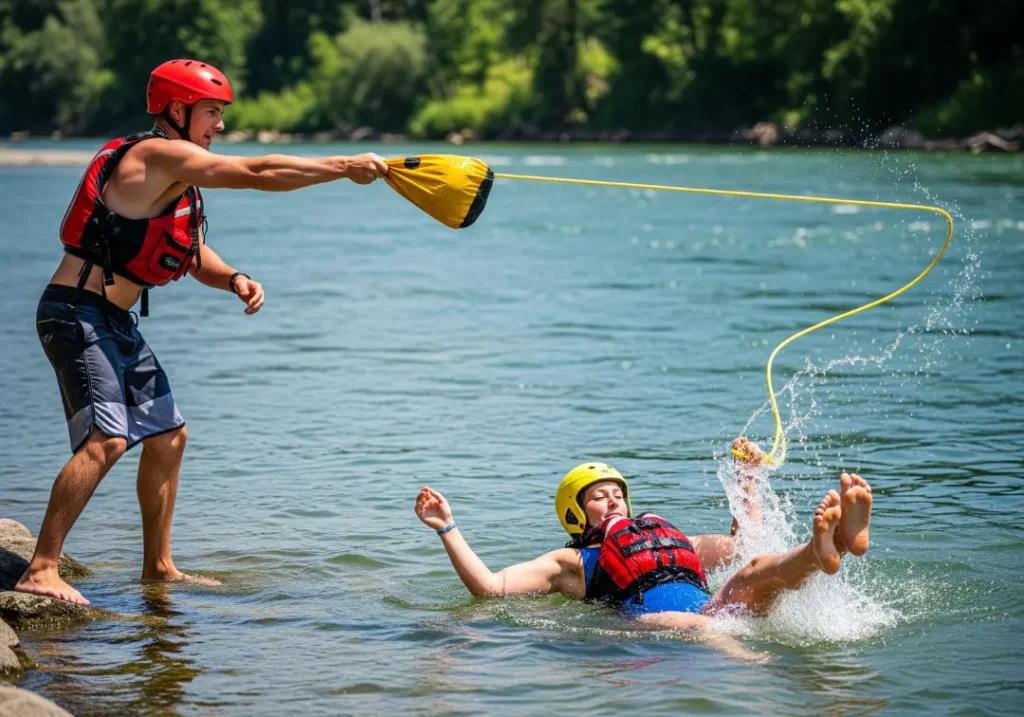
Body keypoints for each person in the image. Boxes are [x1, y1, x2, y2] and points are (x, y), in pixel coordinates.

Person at [17, 59, 390, 607]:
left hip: (114, 320)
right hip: (75, 312)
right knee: (109, 439)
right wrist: (343, 166)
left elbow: (189, 256)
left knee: (169, 436)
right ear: (176, 110)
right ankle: (41, 568)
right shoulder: (155, 155)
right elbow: (259, 173)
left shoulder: (178, 180)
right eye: (212, 113)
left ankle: (158, 568)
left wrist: (234, 277)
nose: (219, 125)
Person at [414, 438, 873, 632]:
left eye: (618, 492)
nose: (613, 499)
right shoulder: (572, 564)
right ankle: (750, 671)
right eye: (598, 496)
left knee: (754, 570)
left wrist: (747, 477)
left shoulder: (670, 538)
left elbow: (745, 544)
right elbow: (490, 588)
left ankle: (824, 550)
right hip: (658, 629)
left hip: (719, 612)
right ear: (577, 515)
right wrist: (447, 527)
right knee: (689, 624)